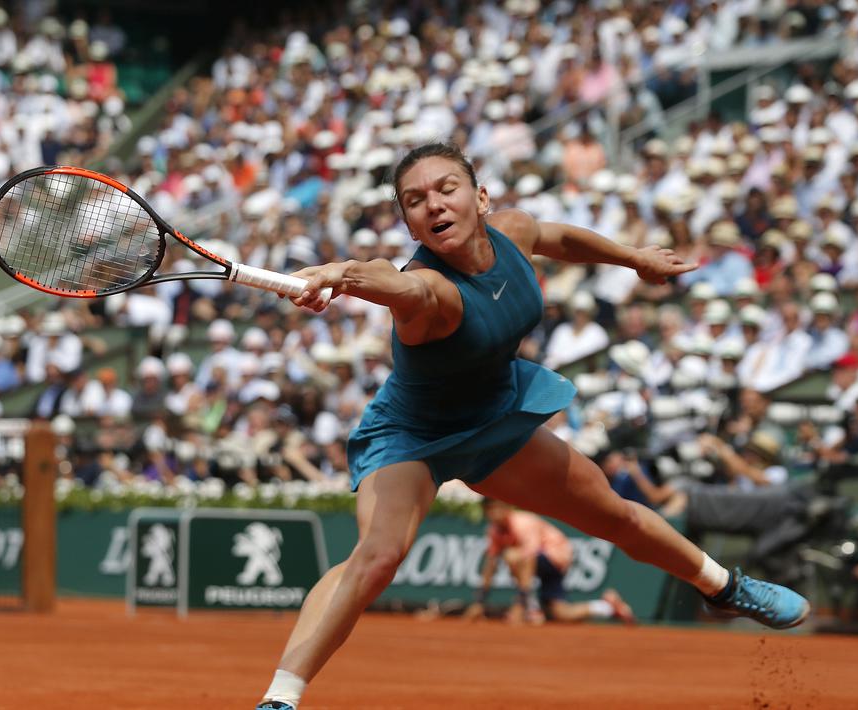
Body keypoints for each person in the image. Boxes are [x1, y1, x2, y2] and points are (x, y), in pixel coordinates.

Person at [258, 144, 809, 710]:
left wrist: (634, 258)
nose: (434, 205)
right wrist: (340, 274)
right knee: (377, 556)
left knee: (614, 514)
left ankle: (725, 587)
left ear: (481, 198)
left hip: (494, 419)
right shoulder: (429, 286)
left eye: (446, 188)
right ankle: (281, 698)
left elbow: (559, 238)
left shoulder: (513, 231)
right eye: (415, 201)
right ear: (409, 224)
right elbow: (392, 282)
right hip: (412, 436)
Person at [464, 497, 635, 625]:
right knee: (561, 614)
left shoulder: (523, 523)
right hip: (541, 562)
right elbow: (490, 564)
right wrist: (479, 602)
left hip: (556, 556)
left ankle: (530, 607)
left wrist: (519, 605)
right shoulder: (494, 531)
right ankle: (607, 607)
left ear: (507, 508)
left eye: (498, 508)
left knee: (513, 556)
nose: (495, 513)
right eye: (490, 510)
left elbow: (529, 557)